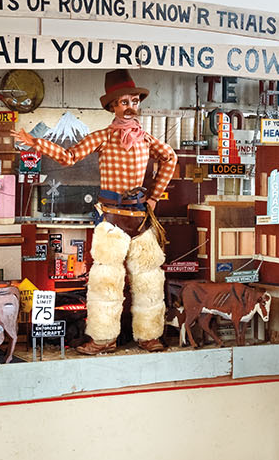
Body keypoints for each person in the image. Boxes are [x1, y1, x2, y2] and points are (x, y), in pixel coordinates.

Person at [15, 69, 177, 353]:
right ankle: (103, 339)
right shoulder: (102, 137)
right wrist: (35, 143)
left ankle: (149, 336)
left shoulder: (146, 139)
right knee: (105, 283)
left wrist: (152, 198)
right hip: (111, 220)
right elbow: (69, 157)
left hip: (141, 219)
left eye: (134, 101)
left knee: (150, 282)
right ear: (112, 106)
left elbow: (170, 157)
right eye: (124, 102)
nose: (130, 107)